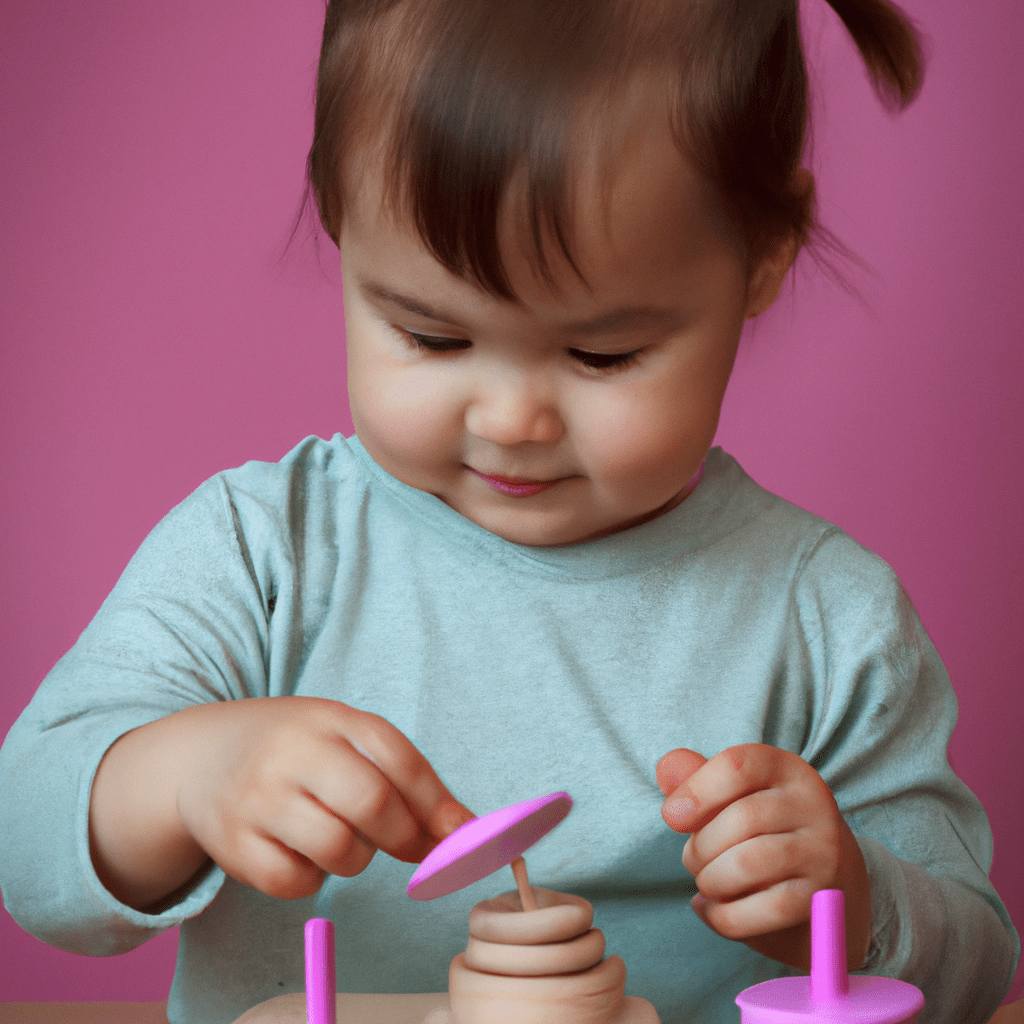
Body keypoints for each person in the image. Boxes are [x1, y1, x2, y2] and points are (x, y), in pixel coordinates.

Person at [0, 0, 1018, 1021]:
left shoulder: (824, 619)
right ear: (336, 213)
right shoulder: (263, 556)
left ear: (761, 253)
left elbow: (976, 964)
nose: (512, 417)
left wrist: (853, 903)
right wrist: (184, 776)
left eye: (602, 354)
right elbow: (25, 840)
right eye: (433, 337)